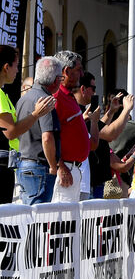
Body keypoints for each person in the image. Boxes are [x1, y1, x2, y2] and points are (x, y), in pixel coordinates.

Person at [0, 46, 55, 203]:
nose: (18, 71)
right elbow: (10, 132)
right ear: (6, 67)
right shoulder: (0, 95)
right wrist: (36, 114)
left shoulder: (3, 93)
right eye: (16, 66)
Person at [49, 51, 98, 203]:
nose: (81, 74)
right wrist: (60, 166)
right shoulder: (56, 98)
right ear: (66, 71)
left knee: (70, 222)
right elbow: (49, 135)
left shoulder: (68, 97)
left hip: (74, 170)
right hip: (65, 171)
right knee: (61, 222)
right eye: (78, 70)